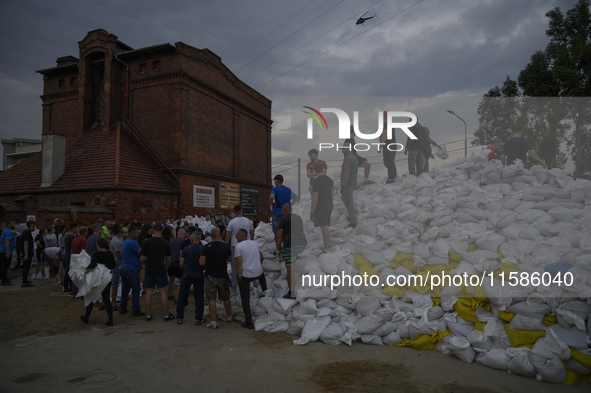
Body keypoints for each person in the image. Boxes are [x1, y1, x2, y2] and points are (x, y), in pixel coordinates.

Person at [199, 228, 232, 329]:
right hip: (222, 275)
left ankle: (214, 322)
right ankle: (229, 316)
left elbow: (201, 262)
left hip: (210, 276)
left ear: (210, 236)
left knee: (212, 299)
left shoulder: (206, 247)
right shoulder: (225, 246)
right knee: (226, 297)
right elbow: (229, 259)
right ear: (219, 235)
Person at [140, 223, 174, 321]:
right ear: (162, 231)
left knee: (149, 292)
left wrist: (147, 263)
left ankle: (148, 315)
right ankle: (166, 314)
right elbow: (168, 259)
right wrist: (166, 266)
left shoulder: (147, 242)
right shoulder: (165, 242)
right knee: (163, 291)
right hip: (160, 268)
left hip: (150, 269)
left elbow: (142, 259)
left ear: (153, 231)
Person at [235, 228, 266, 329]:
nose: (235, 237)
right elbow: (262, 258)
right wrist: (257, 267)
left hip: (246, 275)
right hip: (258, 273)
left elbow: (238, 264)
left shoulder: (238, 246)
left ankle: (248, 322)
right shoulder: (255, 243)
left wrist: (239, 277)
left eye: (237, 235)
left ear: (241, 236)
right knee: (262, 277)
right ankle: (265, 292)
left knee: (245, 298)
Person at [80, 238, 115, 326]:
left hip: (97, 278)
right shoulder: (109, 253)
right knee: (106, 298)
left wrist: (87, 270)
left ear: (97, 245)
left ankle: (86, 317)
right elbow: (113, 265)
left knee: (91, 295)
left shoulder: (96, 254)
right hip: (107, 278)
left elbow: (92, 265)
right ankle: (110, 319)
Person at [276, 203, 307, 299]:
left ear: (285, 210)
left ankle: (291, 292)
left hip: (290, 247)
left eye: (282, 211)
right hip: (302, 244)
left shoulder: (283, 219)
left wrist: (278, 249)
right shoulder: (298, 218)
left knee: (290, 270)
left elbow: (279, 236)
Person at [176, 231, 206, 325]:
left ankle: (179, 317)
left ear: (191, 239)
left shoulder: (186, 248)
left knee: (182, 295)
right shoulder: (203, 248)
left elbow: (181, 263)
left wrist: (184, 266)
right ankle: (198, 318)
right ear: (200, 239)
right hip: (198, 274)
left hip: (187, 273)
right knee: (199, 296)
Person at [225, 204, 254, 292]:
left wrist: (226, 246)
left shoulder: (232, 222)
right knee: (246, 264)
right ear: (242, 211)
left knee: (235, 266)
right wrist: (251, 241)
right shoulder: (248, 221)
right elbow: (252, 232)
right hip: (247, 245)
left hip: (235, 245)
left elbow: (227, 235)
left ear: (234, 212)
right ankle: (247, 285)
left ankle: (234, 286)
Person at [119, 226, 145, 316]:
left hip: (124, 268)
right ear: (132, 234)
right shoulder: (133, 243)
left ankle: (122, 307)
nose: (137, 235)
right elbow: (141, 253)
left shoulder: (125, 242)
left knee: (125, 290)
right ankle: (135, 309)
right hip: (132, 269)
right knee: (136, 289)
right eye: (136, 233)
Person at [310, 162, 333, 253]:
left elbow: (315, 198)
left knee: (324, 227)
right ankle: (326, 246)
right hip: (328, 204)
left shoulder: (316, 181)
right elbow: (332, 195)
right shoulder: (329, 180)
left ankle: (326, 248)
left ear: (314, 170)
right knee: (325, 226)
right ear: (323, 168)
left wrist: (312, 212)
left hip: (321, 205)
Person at [340, 138, 359, 228]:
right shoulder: (354, 158)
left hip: (348, 183)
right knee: (344, 198)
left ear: (348, 149)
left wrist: (343, 185)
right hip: (352, 182)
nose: (342, 151)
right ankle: (352, 217)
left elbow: (346, 172)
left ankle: (352, 221)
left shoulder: (348, 158)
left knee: (349, 201)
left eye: (343, 149)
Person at [269, 174, 292, 241]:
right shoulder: (288, 190)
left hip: (277, 212)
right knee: (285, 231)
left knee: (277, 231)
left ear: (277, 181)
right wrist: (289, 205)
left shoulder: (275, 189)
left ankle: (279, 248)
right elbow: (296, 198)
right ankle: (285, 246)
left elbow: (271, 196)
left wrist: (271, 203)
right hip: (286, 214)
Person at [167, 228, 185, 302]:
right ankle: (178, 297)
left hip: (170, 263)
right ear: (184, 234)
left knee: (171, 280)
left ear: (177, 233)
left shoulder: (171, 241)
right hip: (178, 263)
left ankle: (169, 294)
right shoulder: (183, 242)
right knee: (181, 280)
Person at [109, 224, 124, 309]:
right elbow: (118, 255)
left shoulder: (118, 239)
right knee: (114, 285)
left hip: (118, 264)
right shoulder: (116, 241)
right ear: (120, 230)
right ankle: (113, 303)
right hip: (117, 265)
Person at [380, 113, 397, 183]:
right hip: (393, 145)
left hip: (388, 145)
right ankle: (394, 176)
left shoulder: (386, 124)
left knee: (388, 162)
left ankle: (391, 178)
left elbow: (384, 135)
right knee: (391, 161)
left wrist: (380, 146)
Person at [21, 221, 36, 287]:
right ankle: (24, 282)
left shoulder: (27, 232)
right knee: (26, 267)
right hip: (26, 253)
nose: (33, 227)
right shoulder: (27, 233)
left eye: (34, 226)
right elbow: (25, 244)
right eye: (32, 226)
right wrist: (26, 254)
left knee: (27, 267)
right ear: (28, 226)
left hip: (27, 252)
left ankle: (25, 280)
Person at [0, 221, 16, 286]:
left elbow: (1, 240)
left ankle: (4, 278)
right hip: (5, 251)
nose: (14, 225)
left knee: (3, 266)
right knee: (5, 266)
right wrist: (8, 251)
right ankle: (3, 280)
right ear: (9, 225)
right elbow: (7, 242)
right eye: (13, 224)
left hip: (2, 250)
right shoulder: (8, 232)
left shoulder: (4, 231)